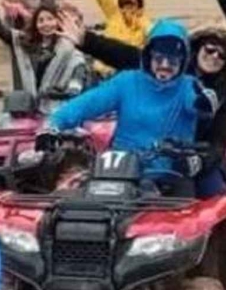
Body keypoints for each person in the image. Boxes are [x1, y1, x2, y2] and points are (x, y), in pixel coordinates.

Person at [60, 13, 226, 196]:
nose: (214, 57)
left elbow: (219, 141)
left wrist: (200, 162)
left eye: (222, 56)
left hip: (189, 156)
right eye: (210, 49)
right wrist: (87, 40)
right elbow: (125, 55)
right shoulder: (169, 61)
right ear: (198, 48)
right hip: (140, 153)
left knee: (212, 194)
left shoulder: (225, 94)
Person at [43, 21, 204, 192]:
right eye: (158, 58)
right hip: (121, 170)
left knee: (183, 212)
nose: (164, 65)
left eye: (172, 61)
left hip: (168, 175)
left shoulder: (189, 86)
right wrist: (53, 124)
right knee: (79, 197)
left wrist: (205, 103)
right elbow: (87, 103)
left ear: (183, 62)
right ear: (148, 56)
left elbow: (199, 102)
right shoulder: (127, 81)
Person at [0, 0, 90, 112]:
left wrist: (72, 88)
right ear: (35, 25)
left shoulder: (68, 46)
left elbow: (79, 67)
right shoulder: (25, 42)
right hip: (27, 109)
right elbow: (2, 31)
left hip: (59, 107)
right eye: (41, 20)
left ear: (58, 22)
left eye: (50, 19)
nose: (46, 24)